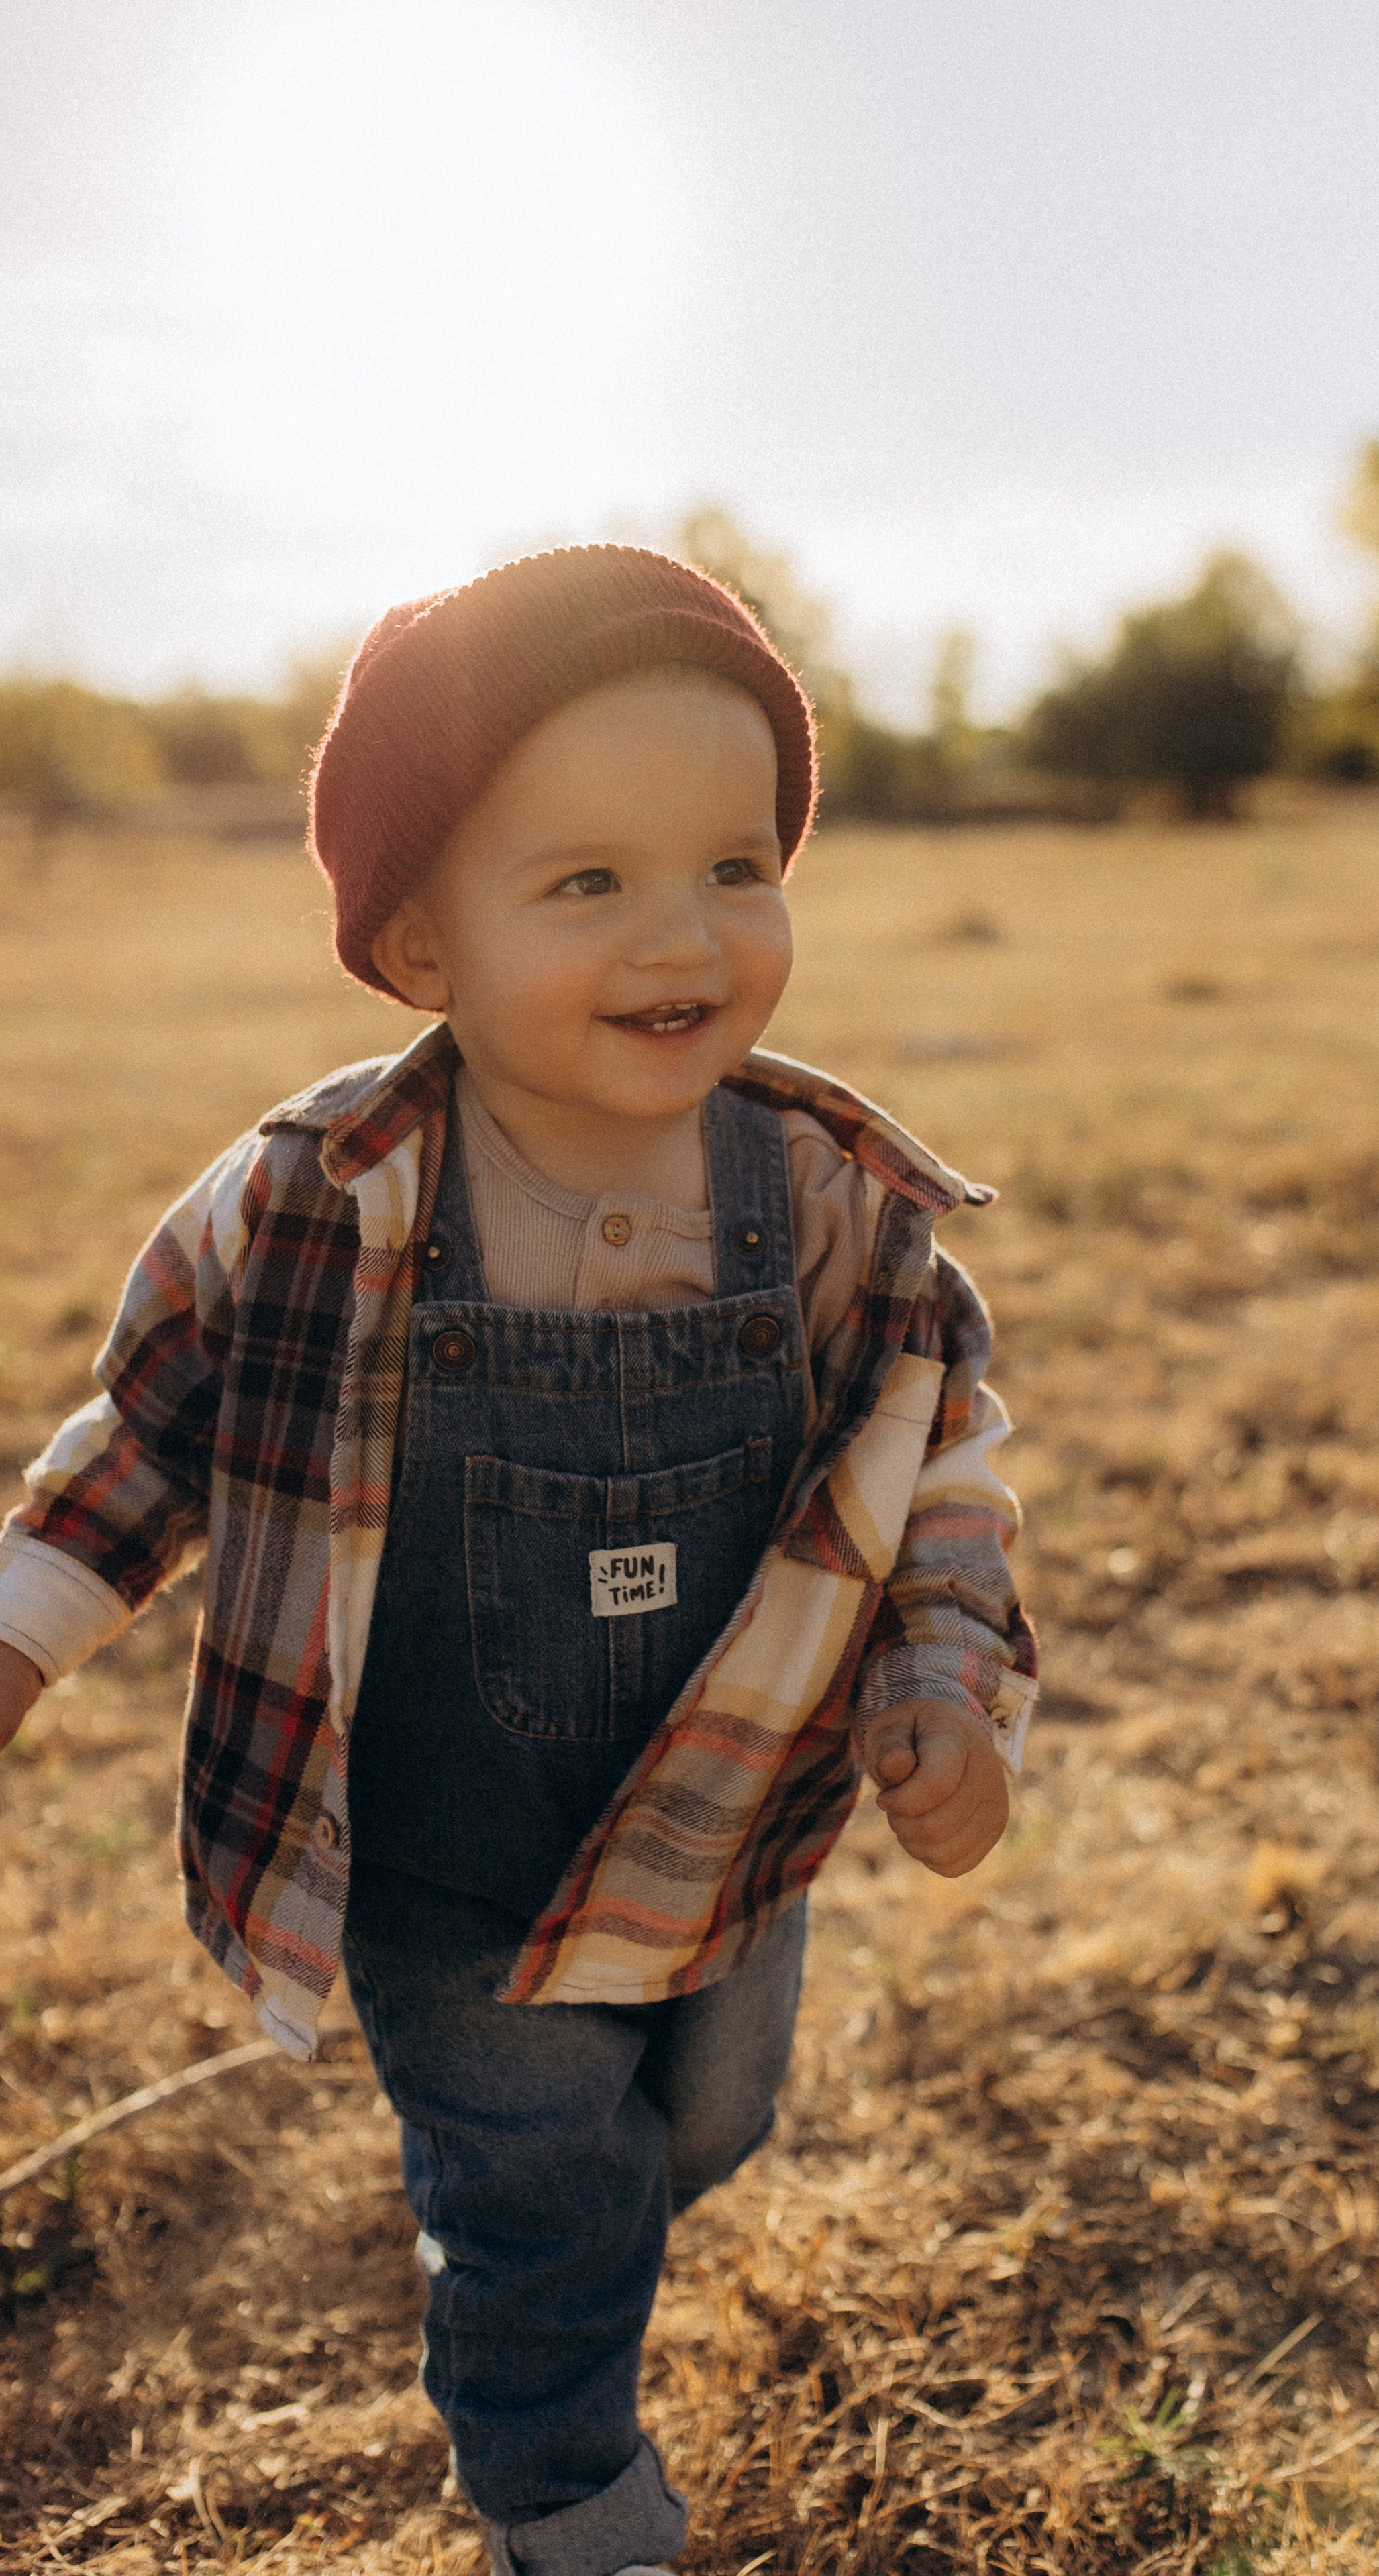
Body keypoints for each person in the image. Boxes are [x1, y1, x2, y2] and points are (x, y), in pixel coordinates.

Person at [0, 546, 1036, 2576]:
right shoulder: (314, 1203)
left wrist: (945, 1685)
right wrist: (26, 1636)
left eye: (739, 867)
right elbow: (151, 1439)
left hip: (726, 1825)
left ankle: (550, 2209)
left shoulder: (827, 1197)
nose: (689, 937)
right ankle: (564, 2500)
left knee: (700, 2132)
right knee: (549, 2194)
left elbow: (950, 1464)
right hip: (442, 1861)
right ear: (415, 943)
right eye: (589, 884)